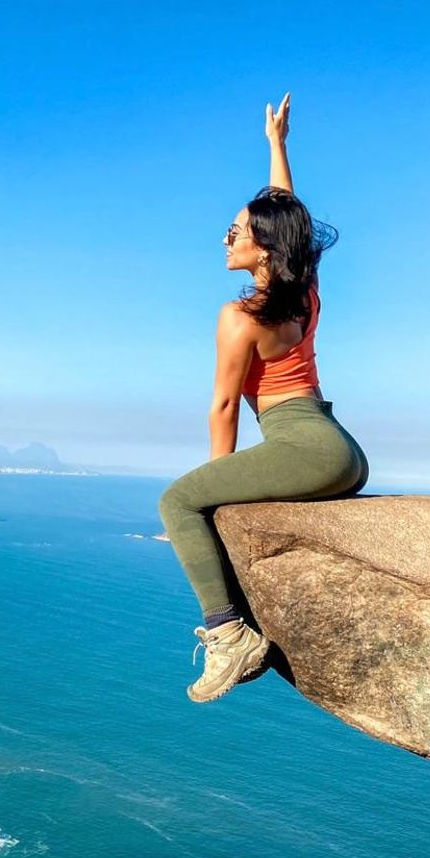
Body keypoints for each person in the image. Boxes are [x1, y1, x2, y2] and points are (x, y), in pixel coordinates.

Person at [158, 93, 369, 704]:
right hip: (341, 451)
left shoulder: (239, 316)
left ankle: (229, 636)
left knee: (178, 502)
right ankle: (228, 632)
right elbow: (289, 215)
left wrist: (215, 486)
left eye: (237, 232)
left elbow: (224, 408)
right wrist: (277, 146)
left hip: (306, 445)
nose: (226, 238)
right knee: (195, 499)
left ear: (265, 249)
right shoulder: (304, 293)